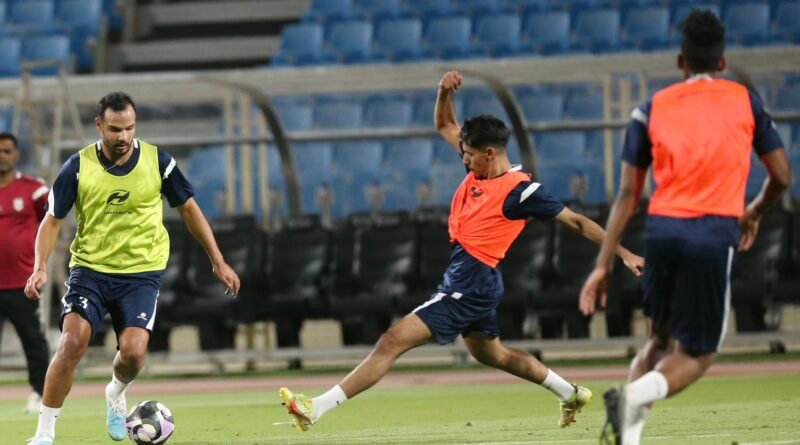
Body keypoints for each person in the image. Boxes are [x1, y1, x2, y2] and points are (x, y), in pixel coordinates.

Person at [278, 70, 645, 432]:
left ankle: (317, 407)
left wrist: (624, 253)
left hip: (472, 280)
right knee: (493, 354)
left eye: (469, 154)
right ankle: (571, 392)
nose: (464, 160)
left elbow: (578, 222)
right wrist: (443, 92)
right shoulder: (479, 167)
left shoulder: (522, 191)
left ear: (489, 153)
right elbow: (444, 123)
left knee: (392, 340)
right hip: (471, 277)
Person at [578, 10, 791, 445]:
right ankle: (634, 395)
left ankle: (628, 438)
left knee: (658, 342)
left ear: (681, 62)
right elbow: (782, 176)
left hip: (662, 234)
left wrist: (602, 266)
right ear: (722, 62)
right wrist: (753, 212)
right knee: (698, 354)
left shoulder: (649, 109)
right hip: (711, 234)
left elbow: (626, 196)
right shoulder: (745, 100)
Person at [24, 92, 242, 445]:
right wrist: (39, 267)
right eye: (114, 129)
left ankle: (115, 391)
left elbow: (188, 209)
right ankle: (44, 433)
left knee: (134, 354)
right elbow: (51, 222)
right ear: (99, 126)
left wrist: (218, 260)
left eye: (129, 128)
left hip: (141, 273)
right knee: (72, 343)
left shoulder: (159, 162)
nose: (123, 137)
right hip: (91, 269)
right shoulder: (77, 167)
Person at [0, 132, 51, 414]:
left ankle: (41, 395)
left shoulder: (34, 189)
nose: (2, 155)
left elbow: (50, 225)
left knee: (33, 340)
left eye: (7, 151)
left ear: (16, 154)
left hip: (23, 283)